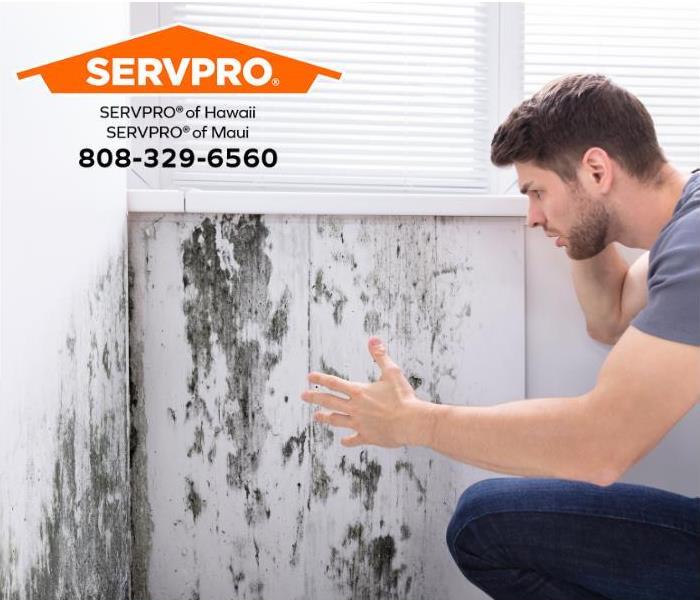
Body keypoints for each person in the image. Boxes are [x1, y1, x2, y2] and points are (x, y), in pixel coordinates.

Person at [300, 74, 700, 599]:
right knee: (489, 518)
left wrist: (414, 421)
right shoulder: (684, 224)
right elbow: (611, 316)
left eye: (537, 193)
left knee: (482, 527)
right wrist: (577, 219)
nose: (532, 216)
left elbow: (600, 446)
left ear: (597, 169)